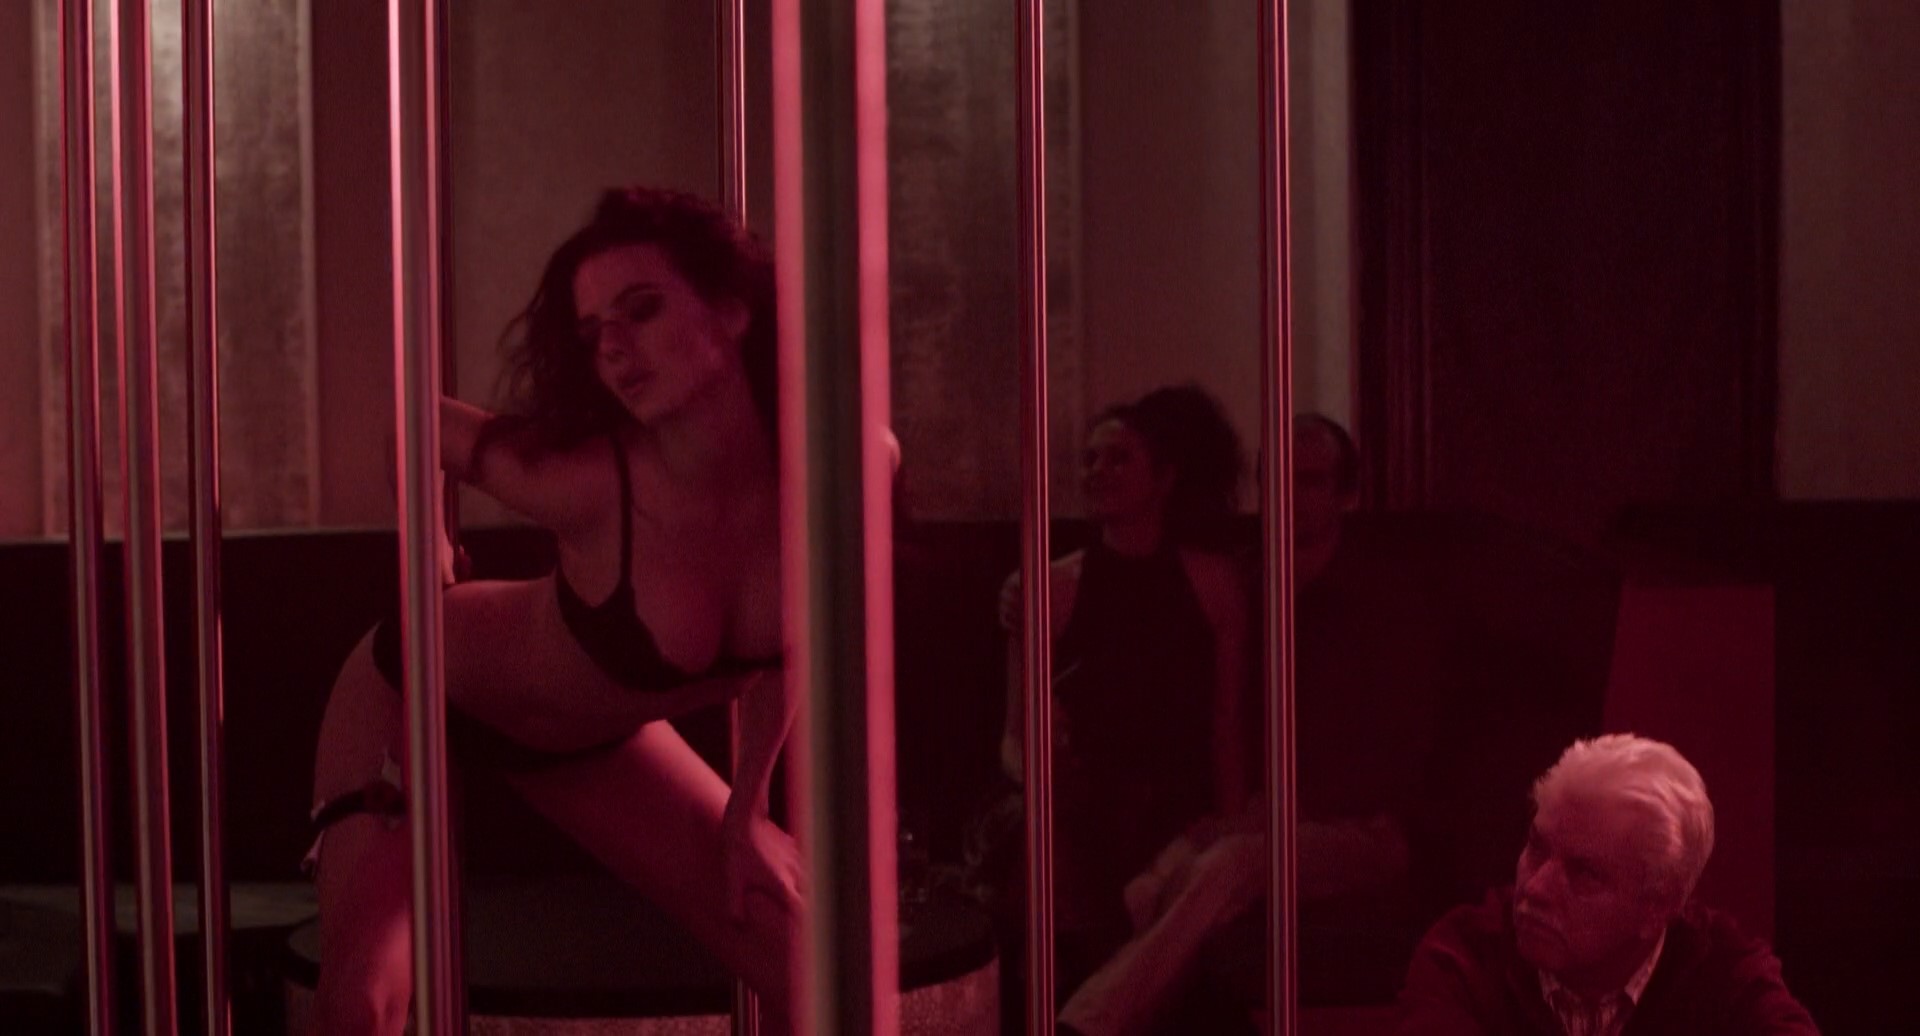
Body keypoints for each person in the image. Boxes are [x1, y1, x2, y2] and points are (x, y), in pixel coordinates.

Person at [306, 188, 800, 1034]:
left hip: (585, 742)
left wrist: (747, 808)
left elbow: (799, 650)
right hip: (416, 690)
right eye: (592, 332)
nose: (615, 349)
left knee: (816, 971)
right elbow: (419, 422)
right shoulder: (590, 481)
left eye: (642, 310)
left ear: (733, 308)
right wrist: (427, 553)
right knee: (365, 1003)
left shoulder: (838, 473)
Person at [994, 384, 1252, 995]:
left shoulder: (1213, 583)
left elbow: (1227, 723)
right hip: (1082, 799)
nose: (1097, 472)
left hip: (1176, 800)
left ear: (1164, 478)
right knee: (1052, 839)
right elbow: (1013, 736)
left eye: (1119, 458)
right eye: (1090, 459)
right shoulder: (1050, 589)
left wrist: (1230, 817)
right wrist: (1042, 779)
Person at [1395, 733, 1820, 1035]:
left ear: (1657, 907)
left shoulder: (1724, 975)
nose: (1535, 889)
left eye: (1584, 873)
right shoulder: (1464, 958)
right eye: (1537, 848)